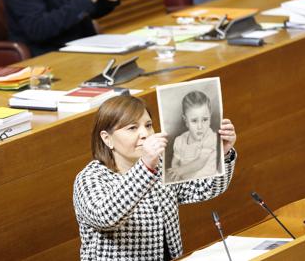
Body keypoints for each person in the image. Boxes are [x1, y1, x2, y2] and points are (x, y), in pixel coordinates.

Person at [73, 96, 237, 260]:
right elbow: (106, 217)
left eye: (148, 125)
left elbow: (203, 189)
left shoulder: (159, 166)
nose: (145, 134)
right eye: (132, 128)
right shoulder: (90, 178)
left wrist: (222, 154)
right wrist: (145, 167)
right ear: (107, 138)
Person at [168, 90, 219, 182]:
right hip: (187, 185)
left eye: (205, 119)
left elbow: (200, 162)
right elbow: (175, 162)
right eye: (194, 121)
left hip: (208, 183)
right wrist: (175, 171)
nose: (200, 126)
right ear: (186, 120)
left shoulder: (210, 137)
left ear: (210, 117)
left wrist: (179, 171)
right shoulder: (180, 140)